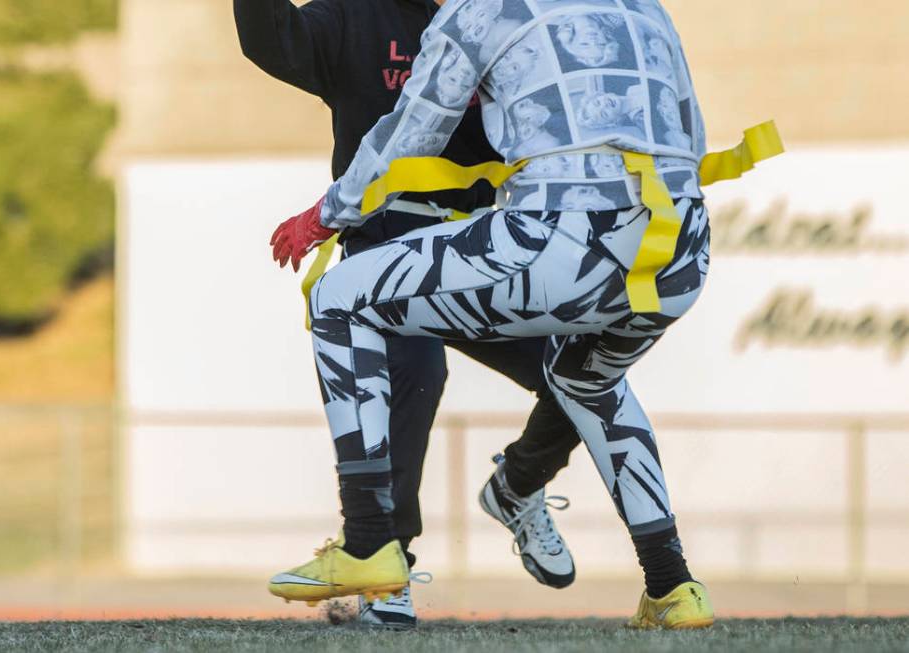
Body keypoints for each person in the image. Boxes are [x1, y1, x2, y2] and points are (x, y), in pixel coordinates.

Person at [269, 0, 715, 630]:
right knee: (588, 379)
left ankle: (369, 542)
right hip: (679, 250)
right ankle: (673, 587)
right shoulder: (644, 7)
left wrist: (324, 216)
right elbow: (690, 136)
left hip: (563, 235)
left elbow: (410, 132)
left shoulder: (480, 9)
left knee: (339, 299)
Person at [235, 0, 582, 629]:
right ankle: (386, 566)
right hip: (389, 244)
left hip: (482, 243)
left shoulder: (495, 18)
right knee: (414, 377)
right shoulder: (352, 17)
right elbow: (272, 40)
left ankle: (518, 486)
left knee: (585, 372)